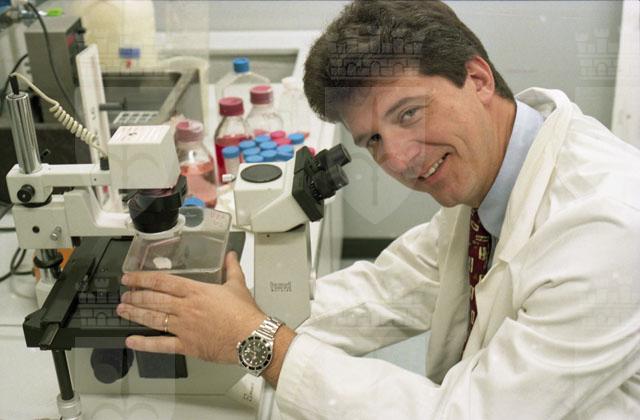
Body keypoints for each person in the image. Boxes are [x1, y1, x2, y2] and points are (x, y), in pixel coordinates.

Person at [116, 1, 640, 418]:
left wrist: (260, 342)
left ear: (477, 79)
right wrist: (235, 312)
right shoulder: (497, 172)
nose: (401, 159)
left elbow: (469, 413)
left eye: (409, 113)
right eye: (373, 140)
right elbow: (389, 290)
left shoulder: (607, 229)